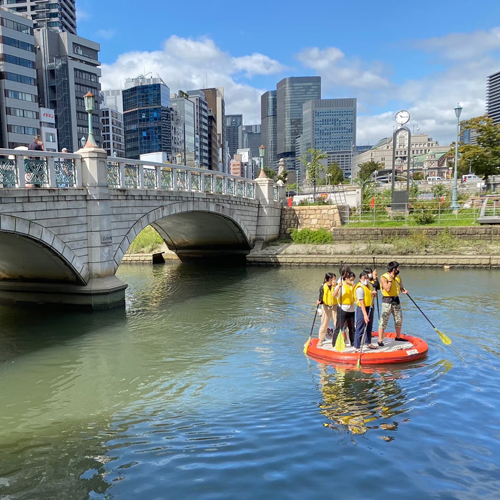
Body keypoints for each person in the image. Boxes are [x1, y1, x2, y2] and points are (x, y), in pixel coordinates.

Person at [377, 261, 408, 346]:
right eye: (398, 268)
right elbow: (387, 289)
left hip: (396, 300)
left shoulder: (398, 278)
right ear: (394, 269)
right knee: (384, 320)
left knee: (399, 319)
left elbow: (401, 287)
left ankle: (398, 336)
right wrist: (390, 279)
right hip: (387, 301)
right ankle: (380, 339)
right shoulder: (384, 277)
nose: (399, 269)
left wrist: (404, 290)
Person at [353, 271, 378, 351]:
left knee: (369, 326)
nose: (366, 280)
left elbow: (370, 297)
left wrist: (373, 294)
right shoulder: (360, 288)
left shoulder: (369, 286)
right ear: (360, 279)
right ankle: (357, 346)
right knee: (360, 327)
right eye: (364, 278)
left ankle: (368, 342)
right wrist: (365, 315)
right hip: (362, 309)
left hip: (370, 307)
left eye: (367, 278)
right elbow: (361, 302)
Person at [332, 270, 356, 347]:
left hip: (351, 309)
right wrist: (338, 287)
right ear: (346, 279)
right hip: (343, 308)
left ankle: (353, 342)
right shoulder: (342, 286)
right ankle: (335, 343)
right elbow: (334, 294)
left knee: (352, 327)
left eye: (353, 280)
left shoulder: (353, 286)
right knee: (339, 327)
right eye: (351, 280)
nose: (352, 281)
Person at [317, 273, 337, 348]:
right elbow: (321, 297)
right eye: (334, 278)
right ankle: (320, 339)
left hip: (335, 306)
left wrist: (336, 286)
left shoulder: (337, 286)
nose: (335, 280)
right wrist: (319, 301)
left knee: (337, 323)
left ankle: (338, 338)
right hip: (326, 306)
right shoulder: (323, 287)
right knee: (324, 323)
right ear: (330, 279)